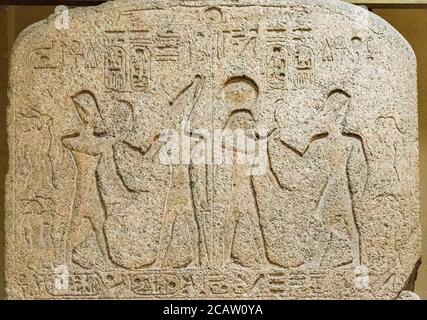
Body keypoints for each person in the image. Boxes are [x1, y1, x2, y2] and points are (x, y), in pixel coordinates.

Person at [62, 91, 131, 268]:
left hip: (91, 188)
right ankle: (66, 260)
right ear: (86, 116)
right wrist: (116, 138)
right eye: (92, 115)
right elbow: (93, 148)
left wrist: (116, 138)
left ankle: (106, 262)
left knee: (97, 225)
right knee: (77, 224)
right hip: (84, 189)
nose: (95, 120)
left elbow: (97, 146)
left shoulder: (91, 141)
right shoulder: (78, 142)